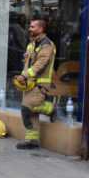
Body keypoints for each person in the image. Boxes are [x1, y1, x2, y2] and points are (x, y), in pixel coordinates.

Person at [16, 18, 57, 150]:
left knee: (29, 108)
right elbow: (26, 65)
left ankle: (51, 109)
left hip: (40, 85)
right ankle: (32, 141)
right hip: (29, 84)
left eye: (33, 27)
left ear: (40, 29)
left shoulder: (47, 45)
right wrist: (21, 82)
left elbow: (40, 65)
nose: (29, 29)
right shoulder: (31, 44)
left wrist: (24, 76)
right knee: (29, 114)